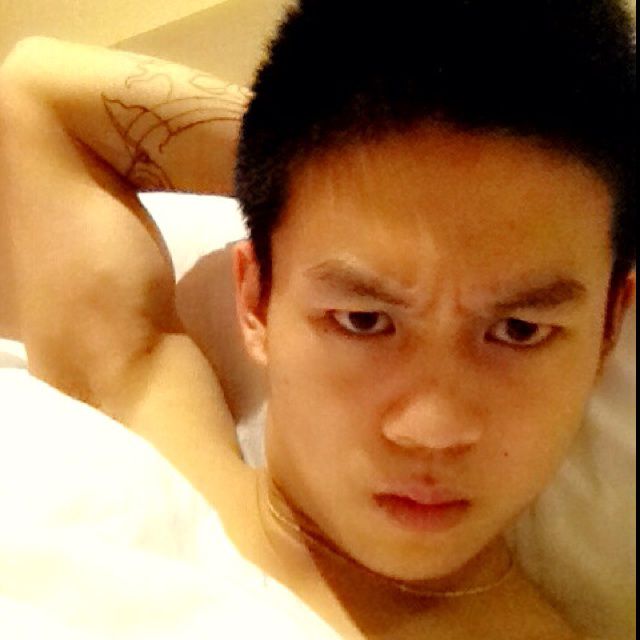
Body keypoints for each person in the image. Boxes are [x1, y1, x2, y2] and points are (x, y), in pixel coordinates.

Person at [0, 0, 635, 638]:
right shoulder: (165, 456)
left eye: (519, 331)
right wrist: (302, 161)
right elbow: (35, 94)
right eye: (363, 320)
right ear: (255, 300)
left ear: (611, 324)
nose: (431, 429)